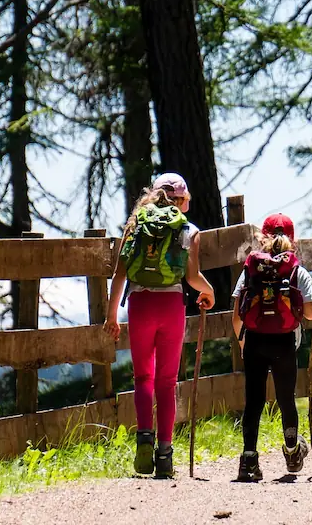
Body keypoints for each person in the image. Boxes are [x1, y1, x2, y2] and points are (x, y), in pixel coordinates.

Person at [103, 173, 215, 479]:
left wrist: (111, 316)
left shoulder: (136, 224)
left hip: (140, 304)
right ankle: (164, 454)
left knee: (143, 378)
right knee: (167, 382)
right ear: (181, 200)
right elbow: (192, 277)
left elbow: (119, 275)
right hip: (171, 306)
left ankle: (143, 439)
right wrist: (209, 292)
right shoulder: (188, 230)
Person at [231, 213, 312, 482]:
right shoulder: (297, 270)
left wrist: (242, 341)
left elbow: (237, 314)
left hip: (255, 340)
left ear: (262, 237)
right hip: (284, 342)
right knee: (286, 399)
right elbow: (309, 311)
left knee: (254, 401)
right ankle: (293, 452)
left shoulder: (250, 270)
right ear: (292, 239)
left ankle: (249, 460)